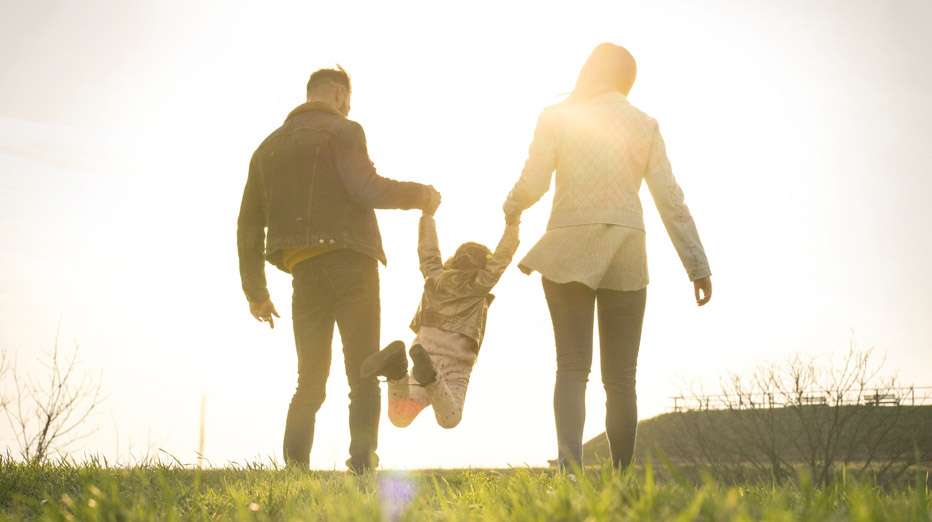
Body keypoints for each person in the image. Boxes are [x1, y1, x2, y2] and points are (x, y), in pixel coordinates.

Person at [502, 44, 713, 470]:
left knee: (571, 367)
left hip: (567, 246)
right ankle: (622, 477)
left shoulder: (558, 117)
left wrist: (511, 207)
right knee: (621, 379)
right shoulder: (644, 124)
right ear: (627, 81)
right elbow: (670, 200)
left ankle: (569, 471)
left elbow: (534, 182)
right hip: (625, 250)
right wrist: (697, 265)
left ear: (590, 70)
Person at [236, 66, 441, 473]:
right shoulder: (345, 132)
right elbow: (367, 188)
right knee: (363, 370)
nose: (348, 108)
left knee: (309, 381)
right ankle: (362, 466)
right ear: (336, 95)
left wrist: (255, 292)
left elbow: (247, 224)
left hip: (304, 272)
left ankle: (295, 470)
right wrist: (421, 196)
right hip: (352, 264)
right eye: (347, 100)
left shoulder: (266, 149)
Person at [359, 208, 520, 429]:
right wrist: (513, 224)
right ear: (484, 265)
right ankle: (428, 377)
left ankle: (397, 371)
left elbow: (428, 252)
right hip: (455, 365)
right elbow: (502, 257)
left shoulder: (434, 277)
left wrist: (427, 217)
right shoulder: (480, 283)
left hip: (424, 353)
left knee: (400, 417)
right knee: (450, 419)